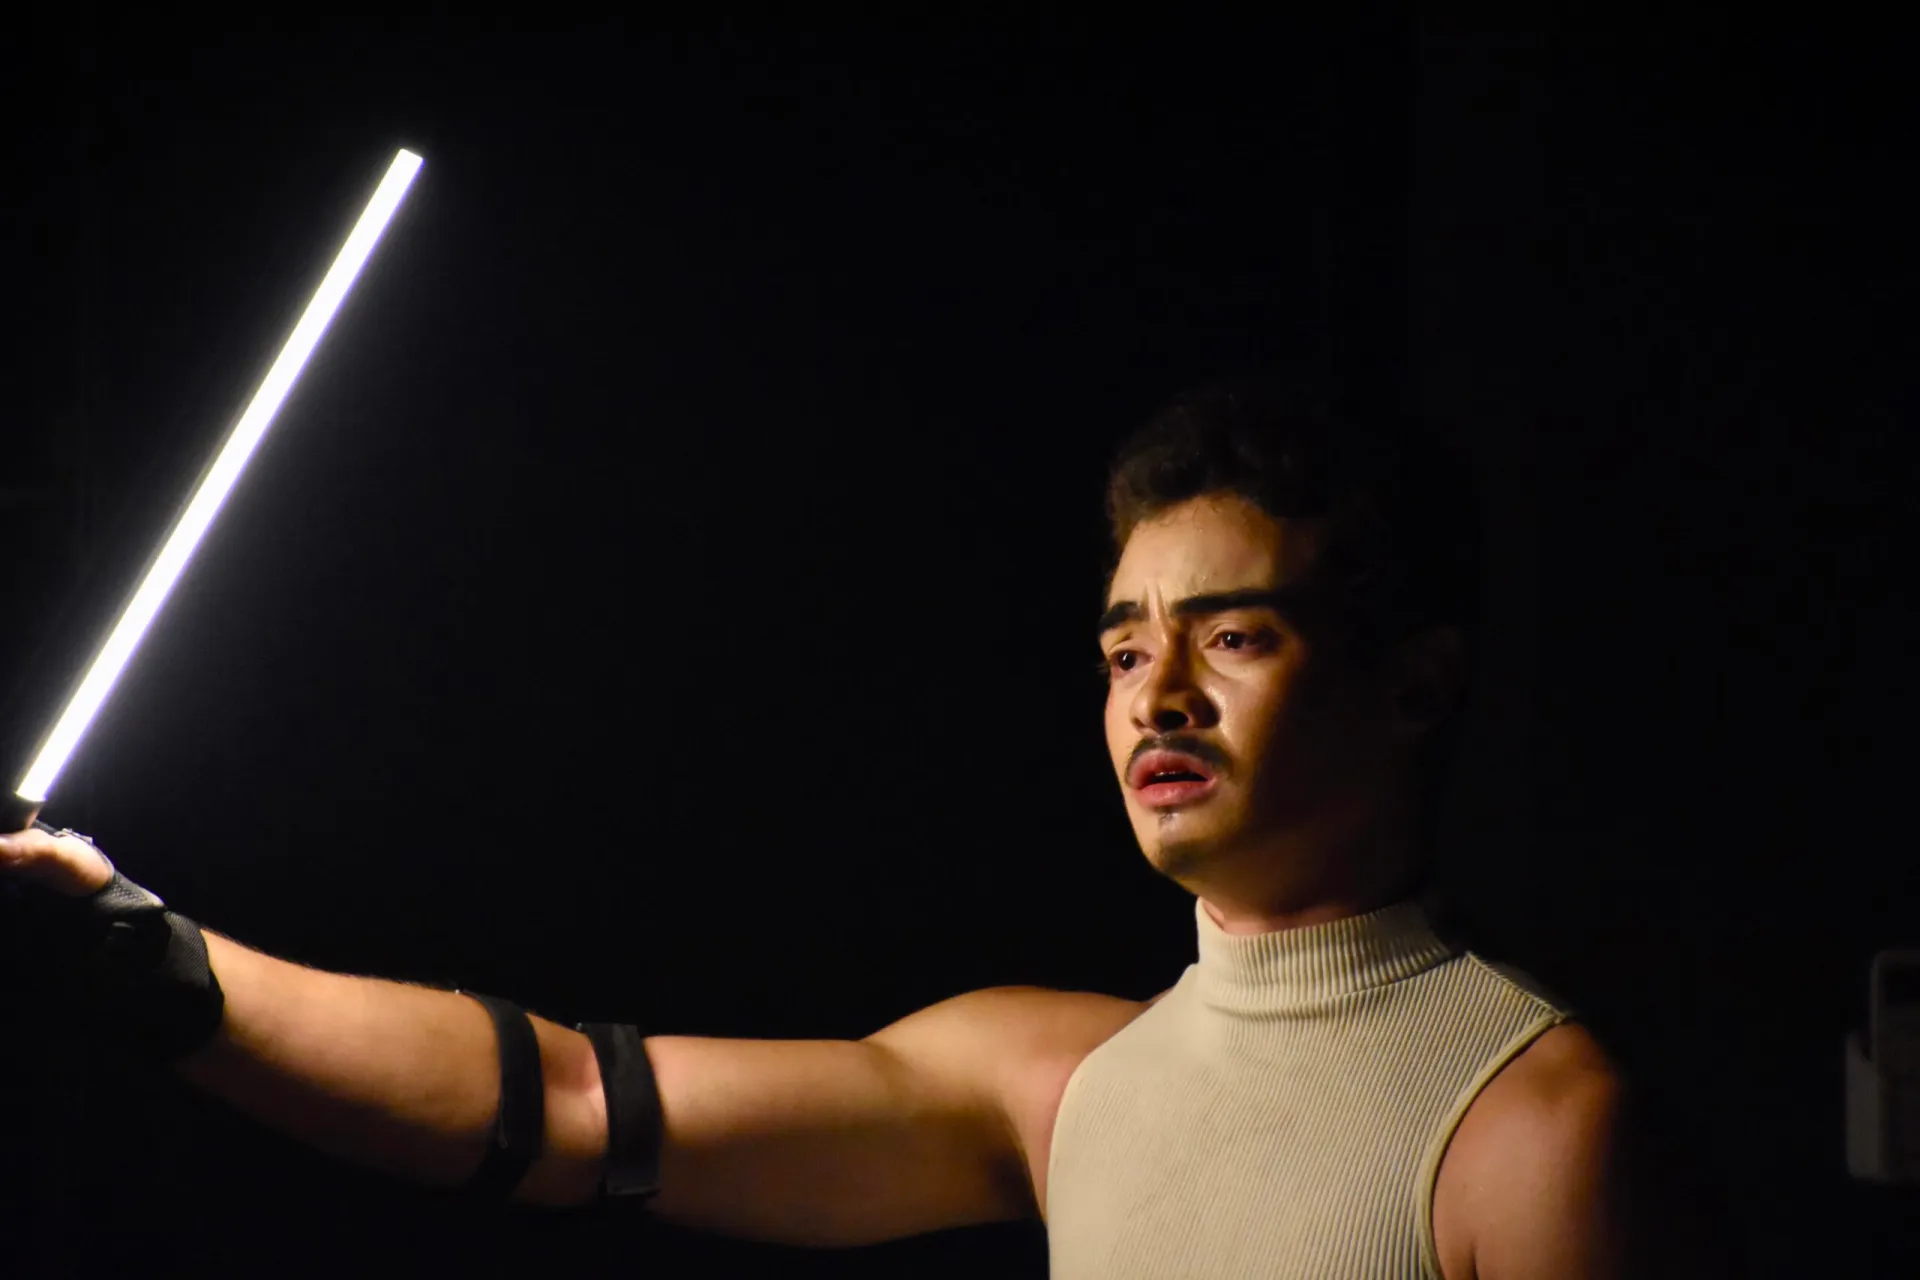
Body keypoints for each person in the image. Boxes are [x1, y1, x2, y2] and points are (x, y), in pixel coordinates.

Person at [0, 379, 1697, 1277]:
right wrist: (148, 959)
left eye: (1233, 636)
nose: (1157, 698)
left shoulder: (1534, 1128)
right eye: (1124, 650)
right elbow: (572, 1104)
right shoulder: (1061, 1083)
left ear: (1416, 687)